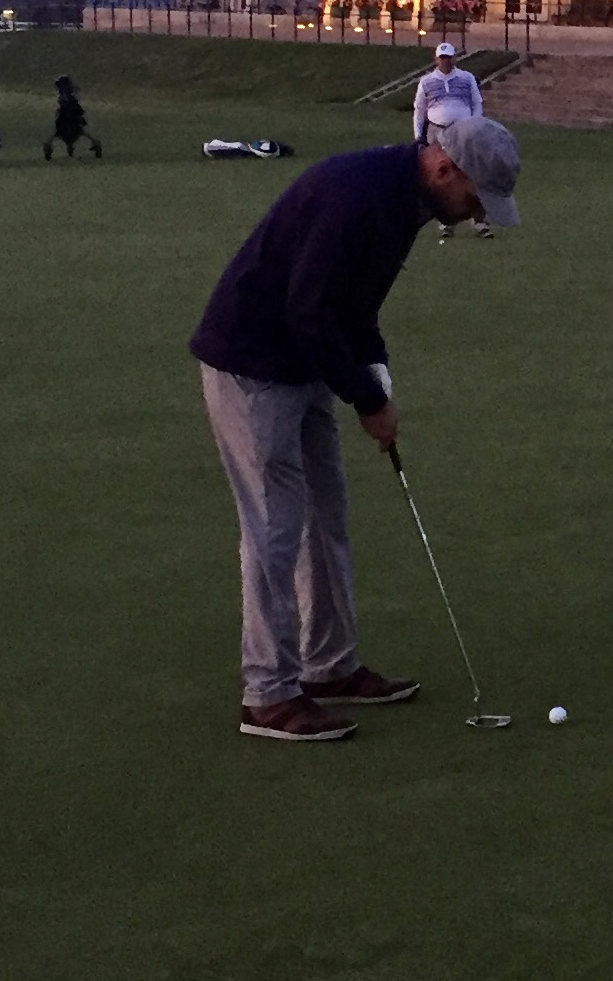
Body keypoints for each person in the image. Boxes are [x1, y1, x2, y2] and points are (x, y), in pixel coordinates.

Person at [190, 115, 523, 742]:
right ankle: (267, 695)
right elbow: (307, 310)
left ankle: (329, 666)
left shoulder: (408, 201)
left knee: (327, 514)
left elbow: (357, 304)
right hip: (252, 364)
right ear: (445, 169)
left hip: (306, 361)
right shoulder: (358, 194)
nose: (474, 212)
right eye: (475, 199)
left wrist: (377, 375)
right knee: (274, 530)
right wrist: (368, 400)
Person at [411, 43, 491, 241]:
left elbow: (476, 103)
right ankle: (446, 222)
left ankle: (479, 221)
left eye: (449, 57)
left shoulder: (466, 78)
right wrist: (418, 136)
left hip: (462, 129)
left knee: (470, 175)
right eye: (442, 58)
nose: (446, 61)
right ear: (436, 59)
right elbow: (420, 110)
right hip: (437, 131)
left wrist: (475, 126)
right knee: (442, 178)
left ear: (454, 58)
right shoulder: (427, 81)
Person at [43, 74, 101, 160]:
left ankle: (49, 149)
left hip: (66, 122)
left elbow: (69, 109)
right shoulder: (69, 98)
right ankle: (96, 146)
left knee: (58, 134)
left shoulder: (65, 98)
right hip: (72, 122)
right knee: (81, 132)